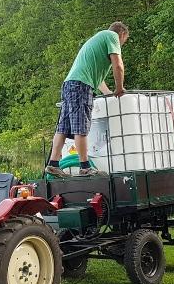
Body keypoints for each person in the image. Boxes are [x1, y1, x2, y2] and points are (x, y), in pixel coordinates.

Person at [45, 21, 129, 177]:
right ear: (122, 34)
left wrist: (109, 93)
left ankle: (53, 164)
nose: (121, 45)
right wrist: (119, 88)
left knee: (63, 127)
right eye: (124, 41)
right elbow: (118, 65)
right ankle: (85, 167)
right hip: (81, 86)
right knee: (81, 126)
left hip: (70, 84)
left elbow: (99, 80)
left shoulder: (97, 41)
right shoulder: (111, 36)